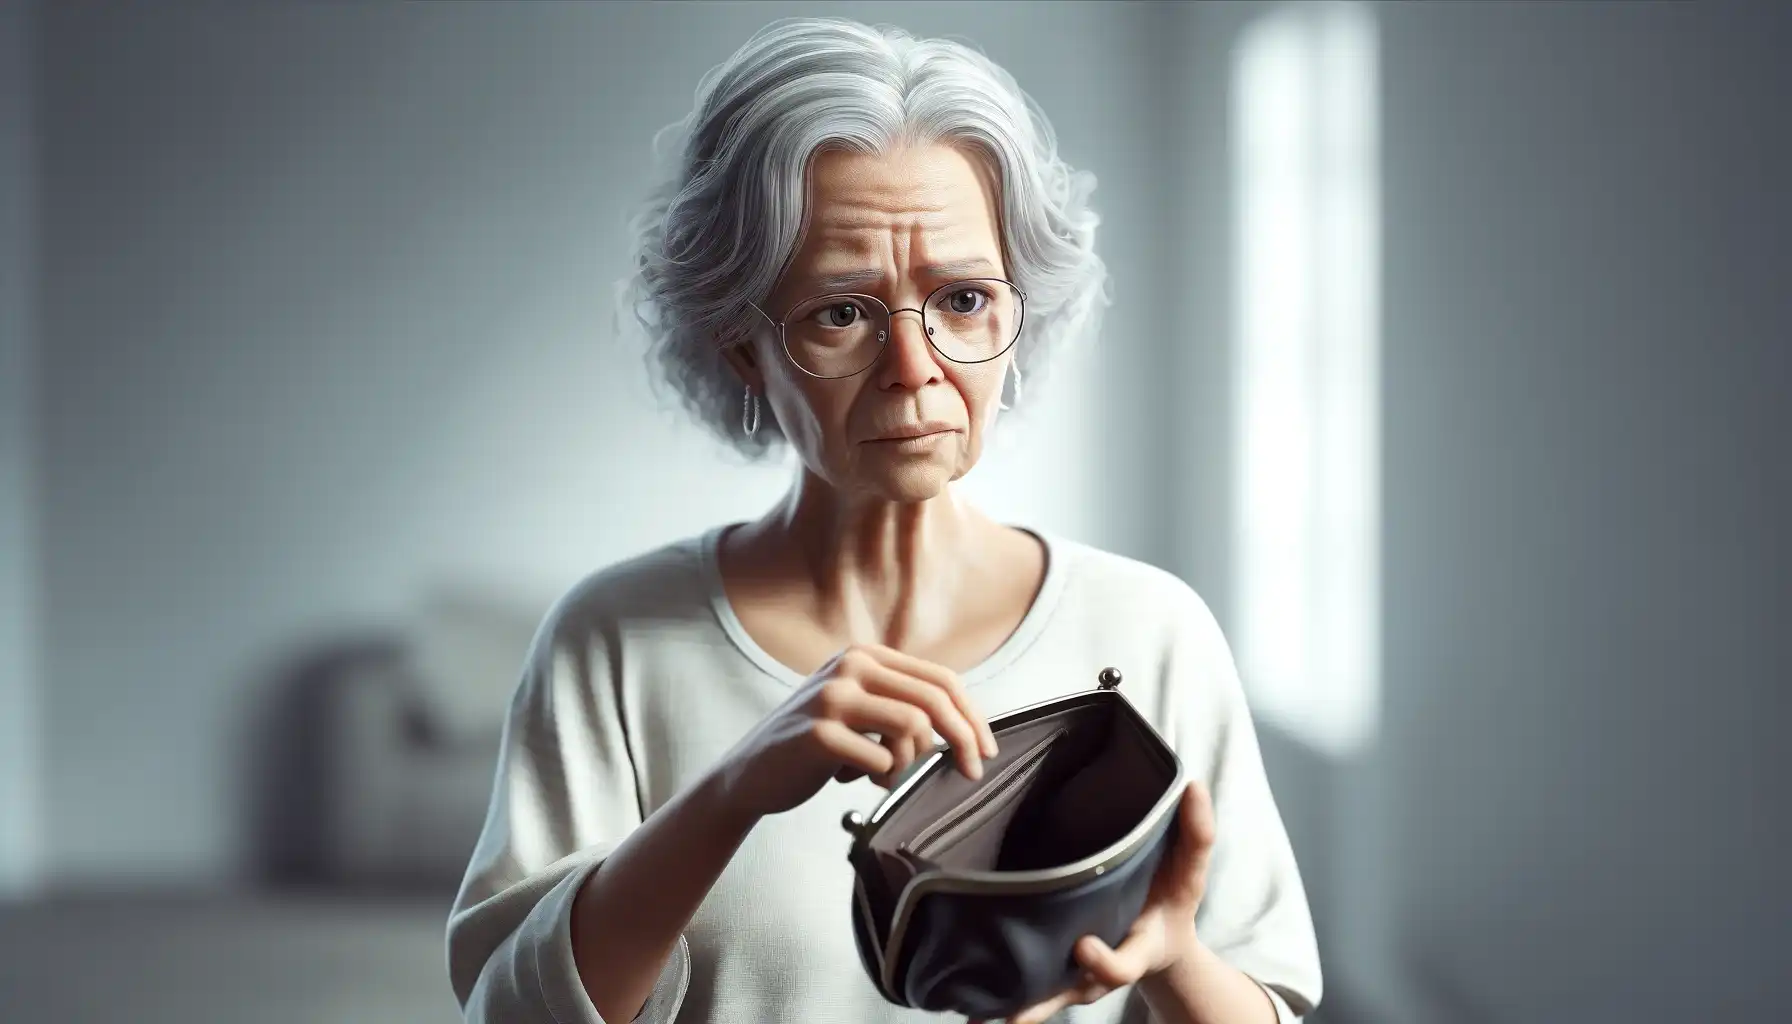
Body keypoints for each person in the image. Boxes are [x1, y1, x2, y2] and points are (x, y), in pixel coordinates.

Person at [446, 17, 1321, 1024]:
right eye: (841, 313)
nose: (915, 369)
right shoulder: (612, 641)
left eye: (962, 299)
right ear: (740, 343)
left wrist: (1169, 957)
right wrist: (732, 789)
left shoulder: (1150, 630)